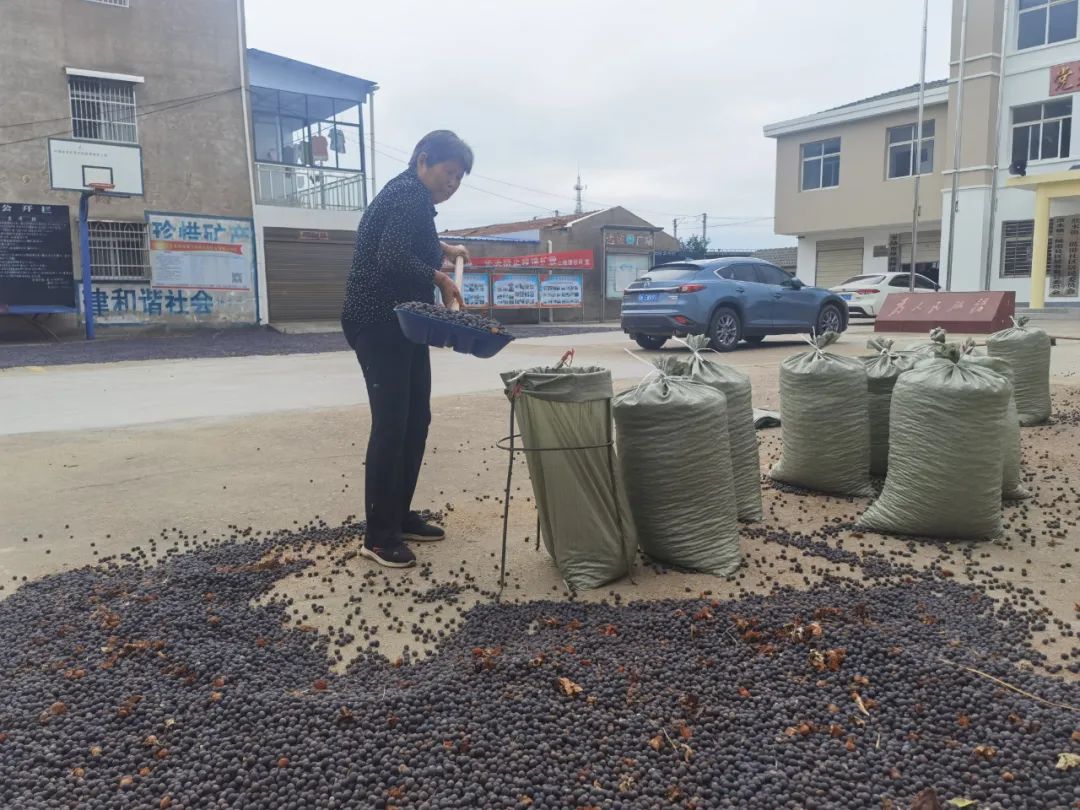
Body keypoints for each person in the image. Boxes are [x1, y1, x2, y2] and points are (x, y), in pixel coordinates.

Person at [340, 130, 473, 568]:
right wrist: (440, 276)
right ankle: (378, 537)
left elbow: (413, 241)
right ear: (423, 161)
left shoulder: (415, 200)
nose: (452, 183)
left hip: (408, 322)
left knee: (417, 418)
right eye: (448, 172)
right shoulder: (407, 195)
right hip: (378, 321)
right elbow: (391, 257)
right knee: (393, 423)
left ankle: (398, 514)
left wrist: (445, 248)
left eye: (459, 178)